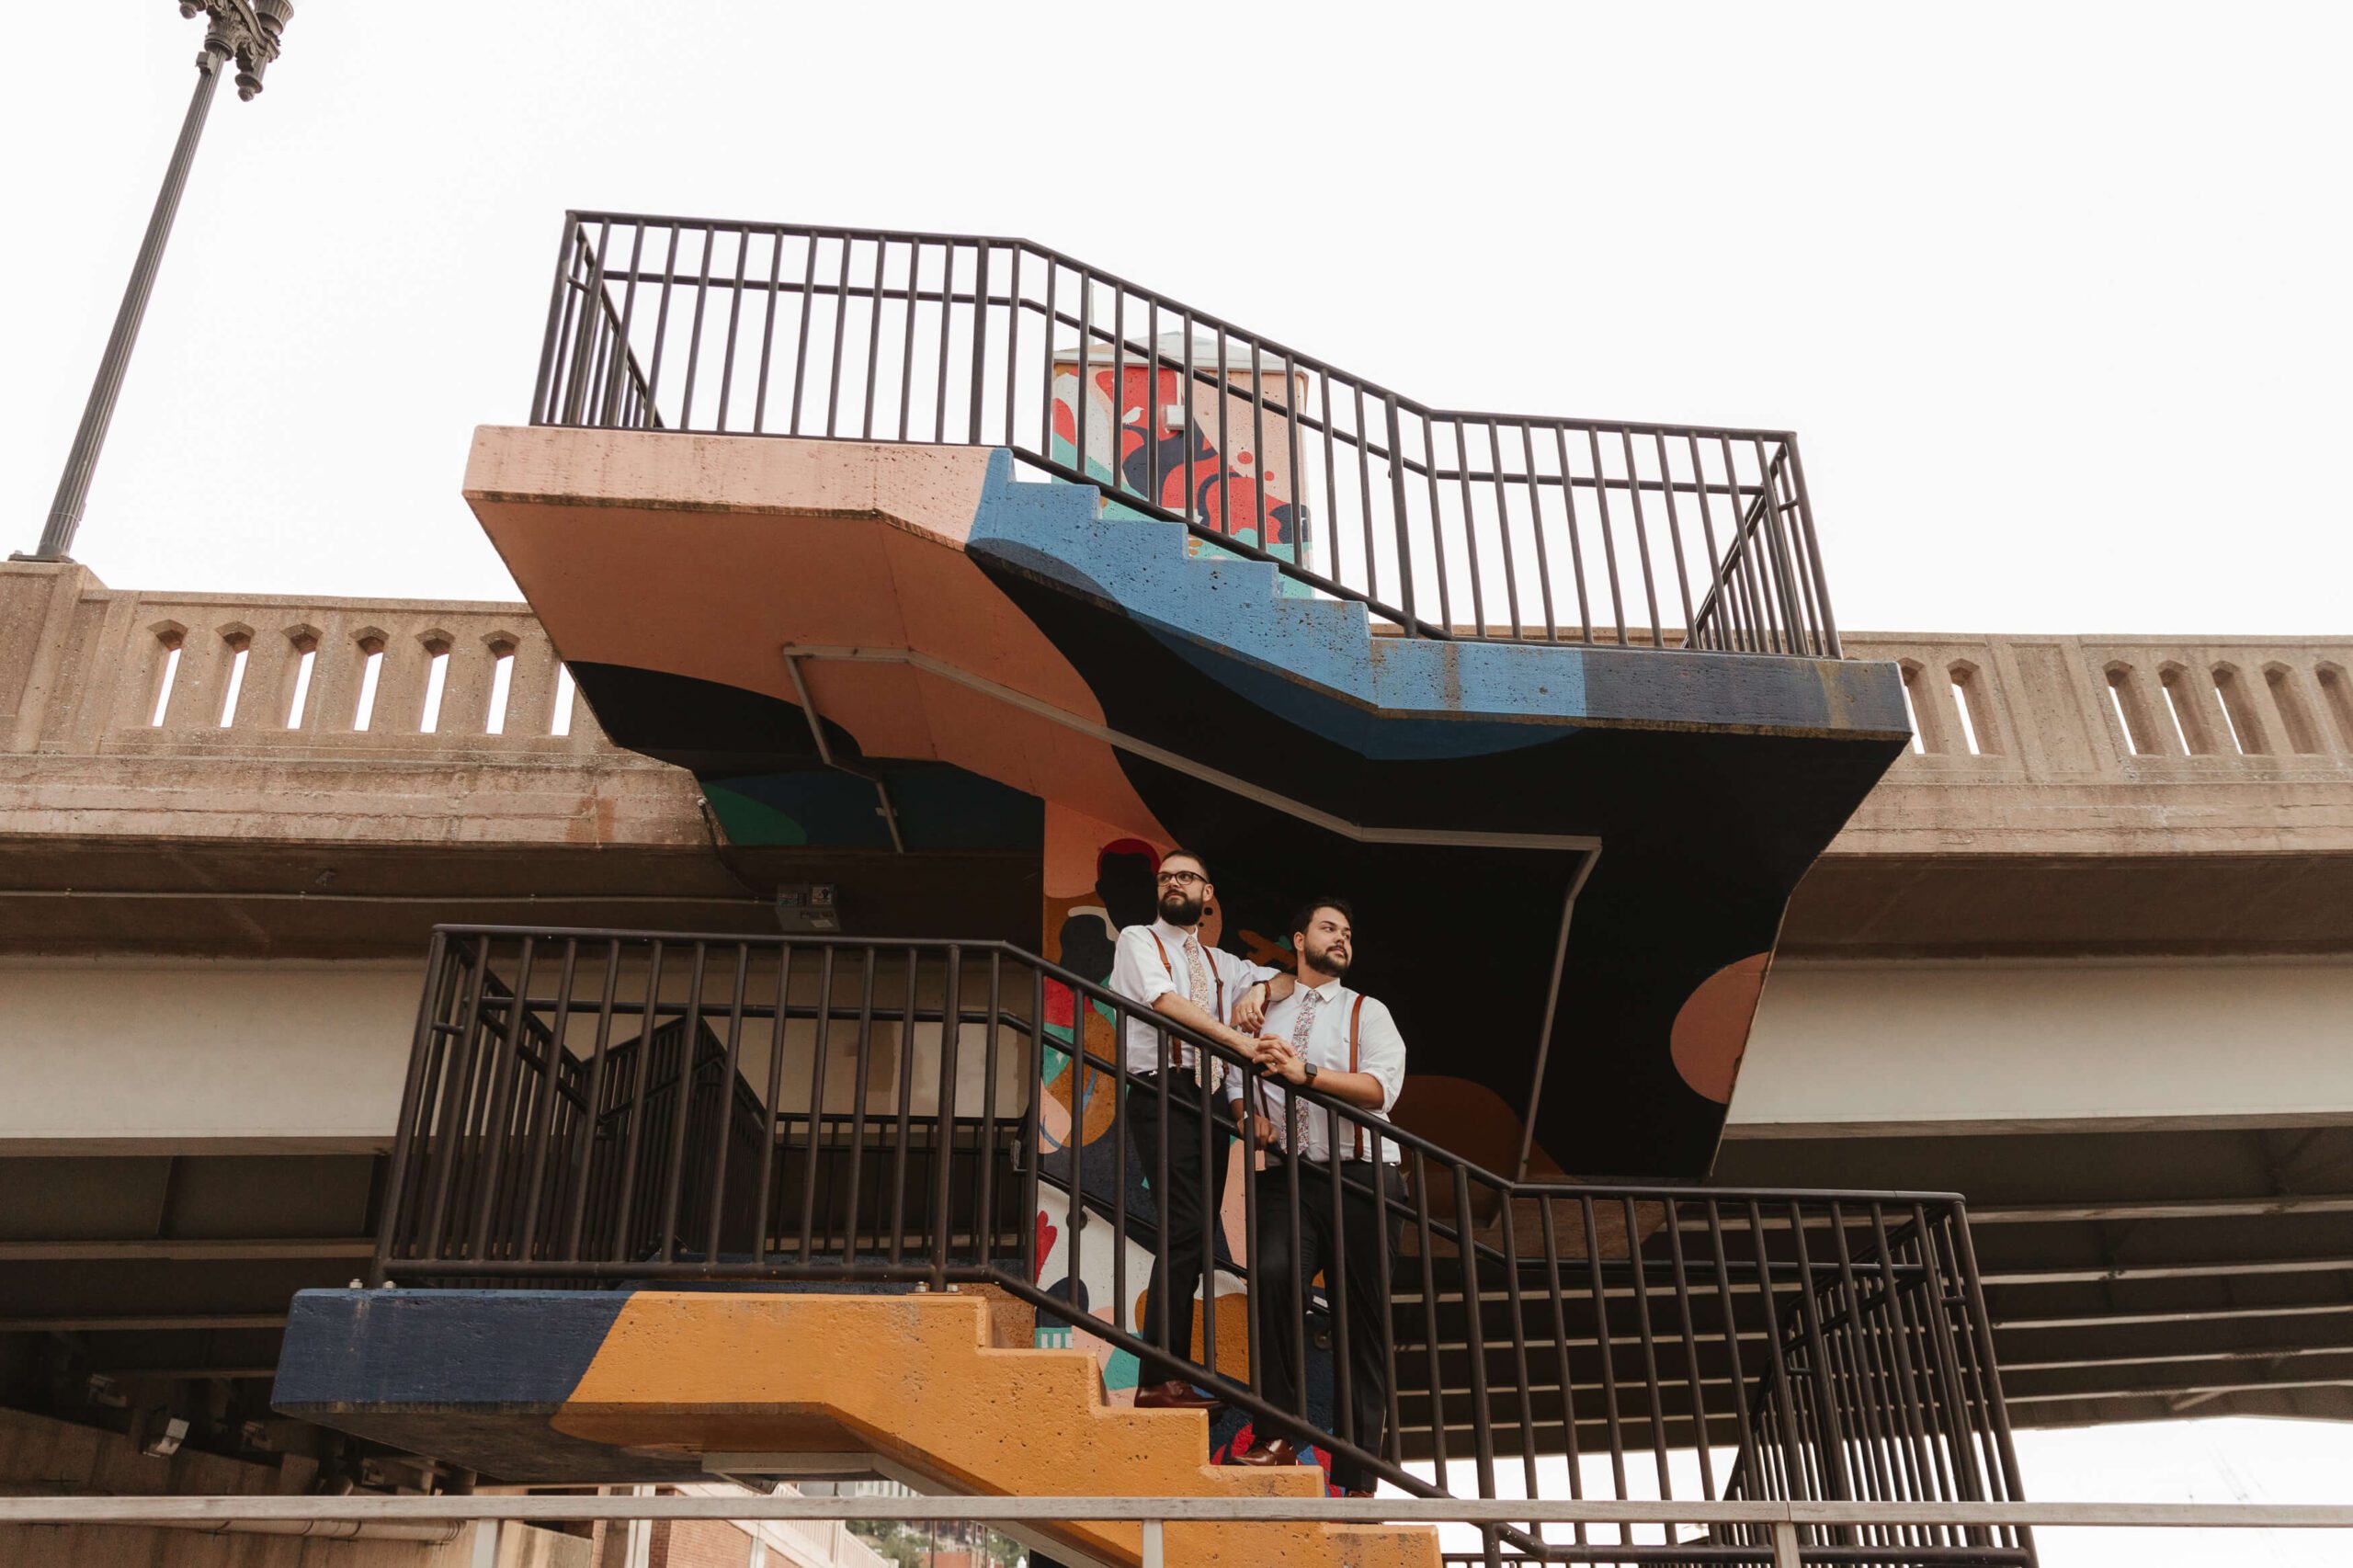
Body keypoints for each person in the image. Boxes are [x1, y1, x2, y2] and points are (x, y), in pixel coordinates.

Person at [1227, 897, 1407, 1497]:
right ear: (1299, 940)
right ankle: (1277, 1433)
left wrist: (1305, 1074)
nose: (1342, 940)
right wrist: (1246, 1114)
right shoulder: (1264, 1006)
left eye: (1348, 934)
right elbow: (1235, 1076)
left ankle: (1358, 1476)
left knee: (1362, 1321)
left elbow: (1380, 1088)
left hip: (1363, 1177)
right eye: (1330, 929)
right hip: (1288, 1174)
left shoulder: (1367, 1010)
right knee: (1273, 1276)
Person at [1105, 850, 1282, 1412]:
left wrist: (1257, 992)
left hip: (1204, 1098)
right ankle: (1160, 1378)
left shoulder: (1219, 961)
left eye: (1186, 876)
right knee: (1184, 1228)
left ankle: (1167, 1375)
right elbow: (1165, 1001)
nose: (1174, 883)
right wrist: (1239, 1040)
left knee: (1196, 1233)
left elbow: (1283, 980)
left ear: (1208, 894)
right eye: (1166, 877)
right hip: (1162, 1091)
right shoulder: (1137, 939)